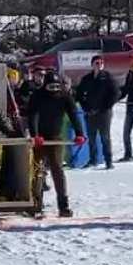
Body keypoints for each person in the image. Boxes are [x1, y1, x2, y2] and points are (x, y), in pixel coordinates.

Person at [29, 72, 86, 217]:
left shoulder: (64, 96)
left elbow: (73, 114)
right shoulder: (38, 96)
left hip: (55, 136)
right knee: (37, 170)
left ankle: (63, 205)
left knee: (57, 169)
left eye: (56, 87)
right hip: (40, 137)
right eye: (51, 87)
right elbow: (33, 115)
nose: (54, 90)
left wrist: (79, 133)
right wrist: (35, 135)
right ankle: (36, 203)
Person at [76, 56, 120, 169]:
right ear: (92, 64)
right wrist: (86, 108)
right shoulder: (87, 78)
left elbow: (115, 94)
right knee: (91, 137)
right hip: (90, 113)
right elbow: (79, 94)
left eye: (101, 62)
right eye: (97, 62)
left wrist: (105, 107)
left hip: (104, 112)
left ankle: (108, 161)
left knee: (105, 137)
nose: (99, 64)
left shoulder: (108, 77)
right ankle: (93, 160)